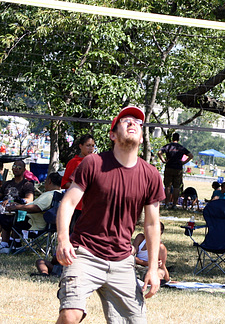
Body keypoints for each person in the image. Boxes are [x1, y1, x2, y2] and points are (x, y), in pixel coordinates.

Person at [55, 106, 165, 324]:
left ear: (142, 137)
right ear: (112, 134)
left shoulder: (150, 174)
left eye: (138, 122)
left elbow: (152, 225)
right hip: (84, 253)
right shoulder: (93, 163)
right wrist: (63, 239)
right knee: (70, 315)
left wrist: (153, 268)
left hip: (123, 261)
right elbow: (68, 202)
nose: (133, 123)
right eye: (126, 121)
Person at [61, 134, 96, 232]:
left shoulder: (95, 162)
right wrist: (81, 187)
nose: (91, 148)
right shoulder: (74, 162)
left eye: (92, 145)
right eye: (88, 145)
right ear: (81, 146)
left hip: (90, 206)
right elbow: (65, 183)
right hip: (76, 206)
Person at [157, 132, 193, 209]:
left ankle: (166, 204)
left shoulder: (168, 146)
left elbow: (159, 153)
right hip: (178, 168)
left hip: (169, 167)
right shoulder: (181, 148)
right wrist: (183, 162)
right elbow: (191, 155)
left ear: (172, 138)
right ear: (178, 139)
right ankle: (174, 204)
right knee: (176, 187)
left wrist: (163, 160)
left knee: (167, 187)